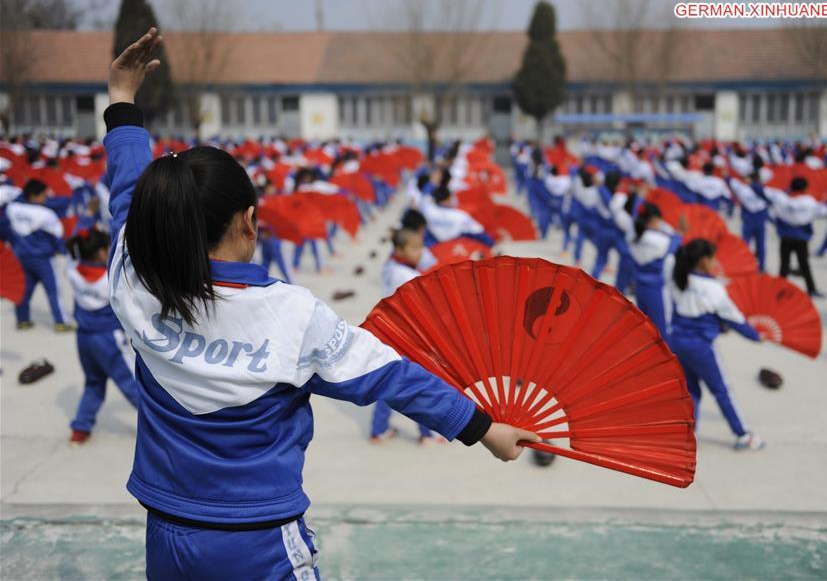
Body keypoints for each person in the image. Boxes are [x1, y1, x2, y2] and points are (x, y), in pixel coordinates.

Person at [103, 29, 537, 580]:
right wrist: (484, 428)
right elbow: (391, 377)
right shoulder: (292, 316)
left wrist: (122, 101)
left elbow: (126, 196)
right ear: (250, 222)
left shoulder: (133, 280)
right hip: (257, 543)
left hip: (166, 537)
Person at [668, 239, 765, 451]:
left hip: (677, 342)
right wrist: (756, 336)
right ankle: (743, 434)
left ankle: (686, 434)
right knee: (722, 390)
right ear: (703, 261)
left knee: (690, 389)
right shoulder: (713, 288)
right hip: (701, 346)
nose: (715, 262)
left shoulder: (677, 278)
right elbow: (735, 319)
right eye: (712, 258)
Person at [66, 226, 139, 445]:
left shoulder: (72, 270)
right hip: (109, 340)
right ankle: (164, 430)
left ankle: (80, 428)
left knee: (94, 384)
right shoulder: (109, 280)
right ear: (100, 253)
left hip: (84, 339)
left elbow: (76, 242)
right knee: (133, 385)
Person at [371, 227, 443, 444]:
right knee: (421, 381)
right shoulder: (406, 275)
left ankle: (379, 429)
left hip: (391, 331)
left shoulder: (392, 265)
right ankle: (427, 433)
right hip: (408, 336)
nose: (420, 252)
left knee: (390, 381)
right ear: (400, 249)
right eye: (415, 248)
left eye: (421, 246)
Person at [6, 178, 74, 331]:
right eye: (44, 195)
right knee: (53, 291)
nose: (46, 198)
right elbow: (57, 237)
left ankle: (22, 320)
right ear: (34, 196)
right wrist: (63, 252)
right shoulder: (46, 214)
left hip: (21, 257)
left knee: (23, 290)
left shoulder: (12, 208)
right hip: (43, 259)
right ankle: (61, 322)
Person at [764, 176, 827, 297]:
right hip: (801, 238)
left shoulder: (781, 199)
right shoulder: (809, 201)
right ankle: (811, 289)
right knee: (804, 265)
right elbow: (823, 212)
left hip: (785, 237)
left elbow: (772, 214)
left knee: (784, 265)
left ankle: (779, 291)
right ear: (805, 188)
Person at [629, 202, 680, 341]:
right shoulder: (661, 239)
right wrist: (679, 234)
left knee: (646, 328)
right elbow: (674, 246)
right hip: (657, 289)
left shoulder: (633, 236)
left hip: (640, 287)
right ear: (653, 220)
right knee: (663, 330)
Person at [727, 171, 769, 271]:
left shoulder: (742, 189)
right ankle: (761, 268)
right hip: (760, 220)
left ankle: (741, 265)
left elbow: (729, 180)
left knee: (744, 244)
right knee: (761, 245)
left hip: (748, 219)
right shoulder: (764, 191)